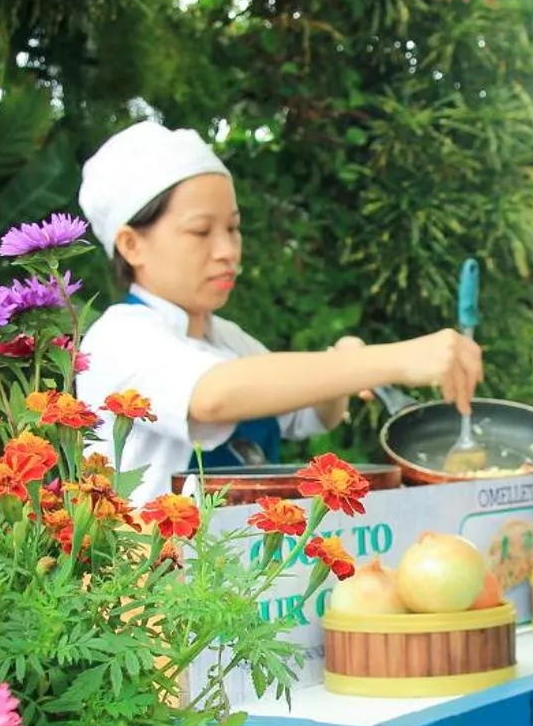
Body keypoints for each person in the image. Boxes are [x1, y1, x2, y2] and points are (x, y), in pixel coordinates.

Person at [75, 118, 482, 487]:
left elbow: (309, 417)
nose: (227, 250)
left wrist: (346, 362)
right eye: (201, 231)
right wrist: (392, 359)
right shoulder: (118, 337)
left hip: (242, 565)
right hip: (157, 567)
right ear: (132, 245)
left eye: (233, 228)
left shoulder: (229, 340)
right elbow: (212, 396)